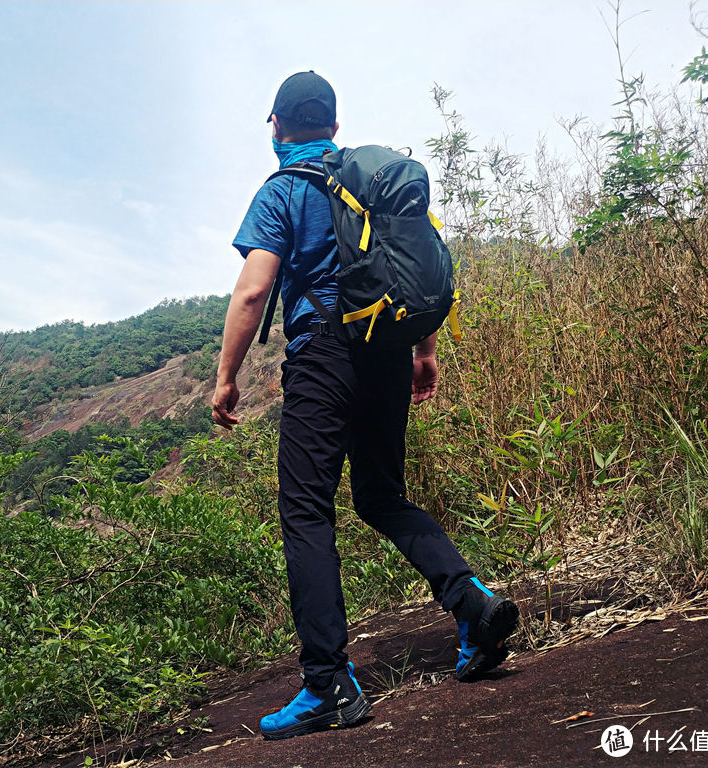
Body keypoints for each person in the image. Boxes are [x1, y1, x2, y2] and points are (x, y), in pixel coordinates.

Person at [211, 71, 519, 741]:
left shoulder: (284, 189)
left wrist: (225, 377)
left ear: (277, 126)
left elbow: (251, 293)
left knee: (306, 510)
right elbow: (420, 263)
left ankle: (326, 683)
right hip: (386, 351)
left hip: (323, 358)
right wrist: (423, 351)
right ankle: (472, 605)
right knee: (381, 496)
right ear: (334, 126)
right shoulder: (369, 182)